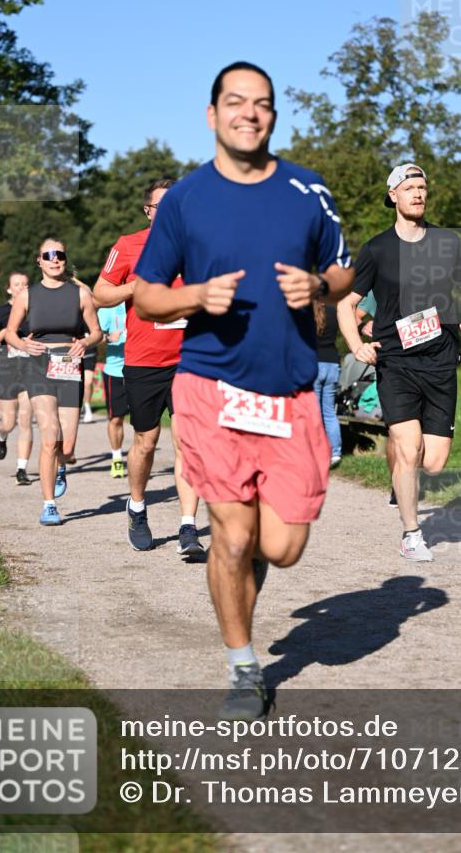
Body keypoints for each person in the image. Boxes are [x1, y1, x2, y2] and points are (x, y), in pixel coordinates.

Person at [133, 61, 354, 719]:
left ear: (273, 116)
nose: (248, 113)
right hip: (209, 386)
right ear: (212, 115)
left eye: (261, 104)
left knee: (280, 547)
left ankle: (242, 571)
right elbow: (145, 297)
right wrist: (194, 296)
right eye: (235, 102)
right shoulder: (185, 201)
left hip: (288, 392)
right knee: (230, 536)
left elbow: (344, 272)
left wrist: (317, 288)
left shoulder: (306, 191)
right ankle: (243, 667)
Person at [338, 162, 461, 561]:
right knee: (408, 447)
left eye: (422, 187)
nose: (418, 193)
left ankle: (409, 487)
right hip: (397, 363)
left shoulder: (446, 242)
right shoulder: (377, 249)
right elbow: (347, 305)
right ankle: (411, 532)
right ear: (393, 196)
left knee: (433, 462)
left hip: (440, 361)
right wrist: (356, 345)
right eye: (409, 187)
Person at [93, 180, 203, 559]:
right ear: (149, 211)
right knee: (147, 441)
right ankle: (137, 507)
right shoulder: (128, 245)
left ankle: (188, 526)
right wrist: (133, 288)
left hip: (191, 360)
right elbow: (100, 293)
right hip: (144, 360)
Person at [5, 238, 102, 526]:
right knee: (50, 437)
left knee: (67, 447)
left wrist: (85, 341)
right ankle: (49, 505)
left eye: (59, 254)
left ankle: (61, 467)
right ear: (39, 261)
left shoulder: (81, 294)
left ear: (64, 259)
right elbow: (10, 332)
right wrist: (23, 345)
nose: (54, 259)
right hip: (38, 365)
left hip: (70, 366)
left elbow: (97, 332)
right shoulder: (27, 296)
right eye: (48, 255)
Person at [0, 272, 34, 485]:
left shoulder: (36, 311)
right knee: (9, 422)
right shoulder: (1, 312)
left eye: (24, 284)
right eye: (16, 284)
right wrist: (5, 333)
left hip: (30, 367)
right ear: (9, 289)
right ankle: (1, 436)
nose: (21, 287)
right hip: (5, 368)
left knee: (26, 420)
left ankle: (22, 469)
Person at [97, 301, 128, 478]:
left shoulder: (144, 301)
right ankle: (117, 457)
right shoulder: (109, 308)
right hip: (115, 371)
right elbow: (94, 336)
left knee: (144, 423)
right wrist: (109, 337)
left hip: (141, 369)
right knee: (116, 419)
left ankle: (143, 458)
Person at [313, 300, 342, 467]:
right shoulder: (335, 309)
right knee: (329, 412)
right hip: (333, 363)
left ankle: (317, 452)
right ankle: (335, 452)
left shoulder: (309, 311)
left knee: (314, 413)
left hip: (314, 363)